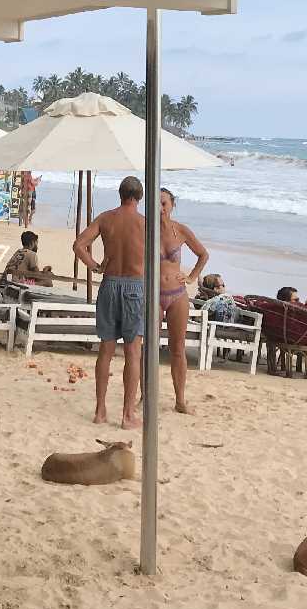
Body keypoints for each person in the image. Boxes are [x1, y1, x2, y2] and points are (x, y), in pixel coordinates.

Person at [73, 175, 145, 429]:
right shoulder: (144, 223)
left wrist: (95, 266)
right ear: (139, 197)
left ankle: (100, 410)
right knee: (133, 353)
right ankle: (127, 415)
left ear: (120, 194)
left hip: (110, 284)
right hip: (135, 285)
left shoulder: (106, 218)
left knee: (106, 350)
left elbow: (79, 245)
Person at [158, 188, 209, 415]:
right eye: (156, 204)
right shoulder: (144, 229)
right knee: (148, 347)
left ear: (172, 205)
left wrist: (191, 277)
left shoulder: (180, 230)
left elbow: (203, 254)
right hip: (154, 294)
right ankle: (145, 396)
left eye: (164, 204)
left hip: (178, 294)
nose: (160, 208)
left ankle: (180, 400)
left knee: (177, 348)